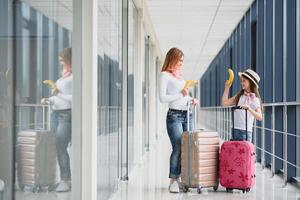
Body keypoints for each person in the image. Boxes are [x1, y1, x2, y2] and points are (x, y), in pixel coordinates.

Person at [159, 47, 198, 193]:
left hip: (187, 114)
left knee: (187, 147)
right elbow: (162, 98)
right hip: (174, 116)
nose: (181, 63)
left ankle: (183, 178)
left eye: (182, 60)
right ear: (172, 58)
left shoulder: (179, 76)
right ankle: (173, 180)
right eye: (179, 60)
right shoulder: (164, 75)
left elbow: (184, 96)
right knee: (177, 147)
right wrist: (181, 94)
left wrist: (191, 99)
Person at [41, 48, 72, 192]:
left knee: (61, 147)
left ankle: (66, 180)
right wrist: (50, 99)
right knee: (55, 147)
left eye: (62, 59)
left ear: (69, 59)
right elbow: (59, 96)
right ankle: (56, 179)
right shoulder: (64, 76)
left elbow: (75, 98)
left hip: (66, 116)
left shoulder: (74, 76)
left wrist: (58, 91)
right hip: (55, 114)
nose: (60, 62)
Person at [221, 68, 263, 142]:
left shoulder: (254, 99)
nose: (241, 83)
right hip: (234, 129)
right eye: (241, 81)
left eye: (244, 81)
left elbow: (260, 117)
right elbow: (224, 103)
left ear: (250, 82)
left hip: (245, 132)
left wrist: (249, 108)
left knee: (244, 153)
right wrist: (227, 88)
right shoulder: (239, 96)